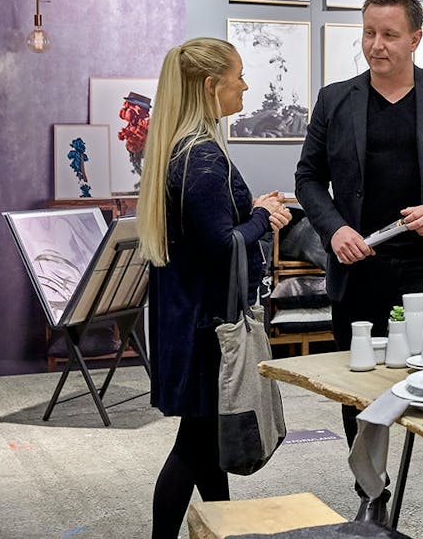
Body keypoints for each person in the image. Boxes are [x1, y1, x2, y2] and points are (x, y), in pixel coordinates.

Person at [294, 0, 423, 538]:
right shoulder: (334, 100)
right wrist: (335, 228)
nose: (376, 45)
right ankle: (371, 498)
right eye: (368, 33)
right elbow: (308, 178)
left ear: (415, 38)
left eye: (389, 34)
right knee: (360, 392)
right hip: (358, 269)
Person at [139, 37, 291, 539]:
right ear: (210, 86)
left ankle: (220, 531)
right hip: (207, 325)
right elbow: (222, 246)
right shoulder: (202, 157)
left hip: (190, 315)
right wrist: (262, 216)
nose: (245, 85)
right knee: (195, 444)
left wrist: (252, 211)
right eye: (238, 76)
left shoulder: (183, 151)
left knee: (204, 443)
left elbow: (210, 231)